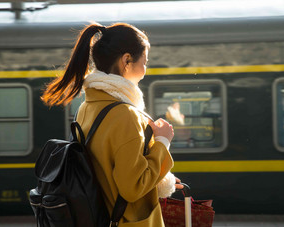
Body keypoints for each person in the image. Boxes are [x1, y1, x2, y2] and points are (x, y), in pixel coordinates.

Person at [41, 22, 182, 226]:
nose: (145, 70)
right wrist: (162, 142)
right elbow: (132, 187)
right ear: (126, 60)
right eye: (145, 62)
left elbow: (108, 172)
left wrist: (161, 180)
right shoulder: (126, 115)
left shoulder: (87, 108)